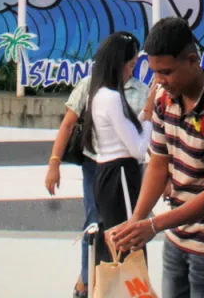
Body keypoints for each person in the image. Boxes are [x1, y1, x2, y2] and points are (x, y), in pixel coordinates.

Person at [111, 17, 204, 298]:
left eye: (166, 72)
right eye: (153, 72)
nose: (158, 81)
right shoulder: (164, 99)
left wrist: (153, 225)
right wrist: (136, 221)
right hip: (177, 235)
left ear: (192, 60)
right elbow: (158, 165)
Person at [45, 35, 150, 298]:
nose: (133, 67)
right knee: (101, 227)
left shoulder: (136, 90)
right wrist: (54, 162)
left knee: (114, 230)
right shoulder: (95, 89)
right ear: (119, 62)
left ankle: (100, 284)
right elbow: (68, 123)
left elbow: (146, 144)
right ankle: (90, 281)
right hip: (102, 166)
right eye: (131, 62)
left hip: (124, 170)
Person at [84, 33, 156, 266]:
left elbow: (126, 129)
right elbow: (137, 148)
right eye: (131, 65)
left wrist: (145, 113)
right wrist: (150, 114)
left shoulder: (98, 93)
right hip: (121, 174)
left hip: (107, 172)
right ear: (119, 64)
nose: (132, 72)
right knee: (128, 245)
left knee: (115, 241)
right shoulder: (112, 97)